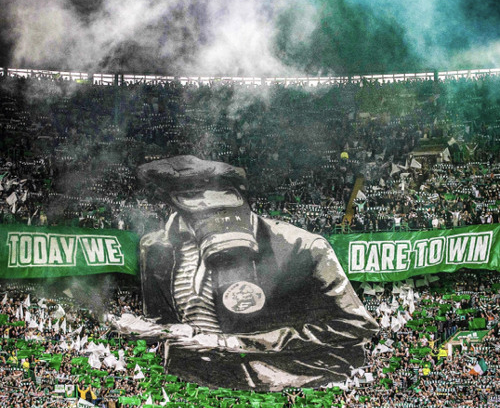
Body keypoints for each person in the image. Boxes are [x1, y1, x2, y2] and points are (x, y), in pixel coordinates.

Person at [125, 155, 378, 391]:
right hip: (192, 384)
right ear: (171, 200)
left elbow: (358, 325)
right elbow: (162, 320)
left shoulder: (303, 247)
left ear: (241, 195)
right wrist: (154, 330)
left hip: (278, 387)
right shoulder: (154, 248)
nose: (215, 210)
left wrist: (235, 344)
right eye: (193, 196)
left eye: (223, 195)